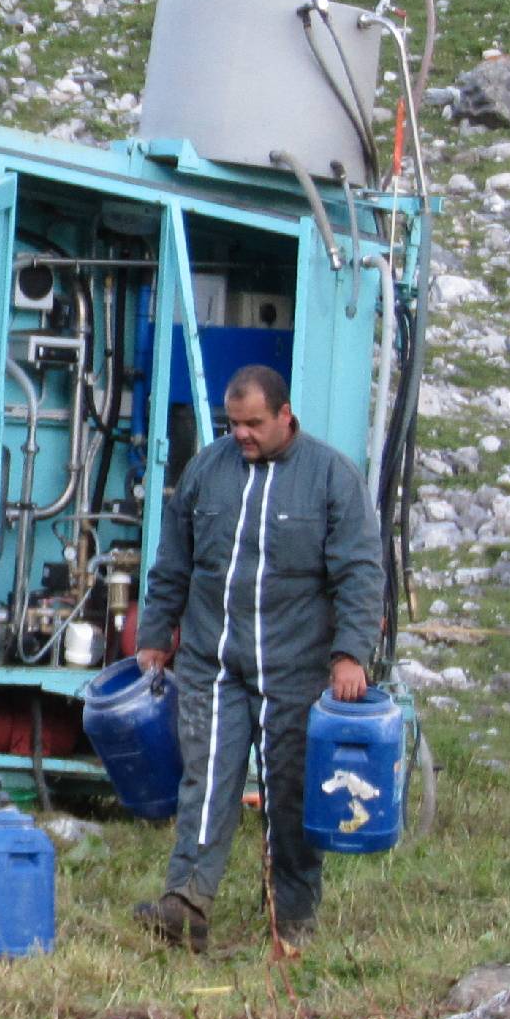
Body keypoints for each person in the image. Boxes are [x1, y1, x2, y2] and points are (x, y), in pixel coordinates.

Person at [130, 365, 382, 954]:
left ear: (284, 415)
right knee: (207, 781)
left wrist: (350, 655)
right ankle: (187, 901)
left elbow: (360, 574)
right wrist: (154, 632)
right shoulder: (207, 472)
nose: (240, 434)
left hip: (295, 671)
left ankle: (291, 917)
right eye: (232, 423)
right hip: (212, 662)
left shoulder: (331, 477)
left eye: (253, 424)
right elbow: (174, 559)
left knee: (290, 793)